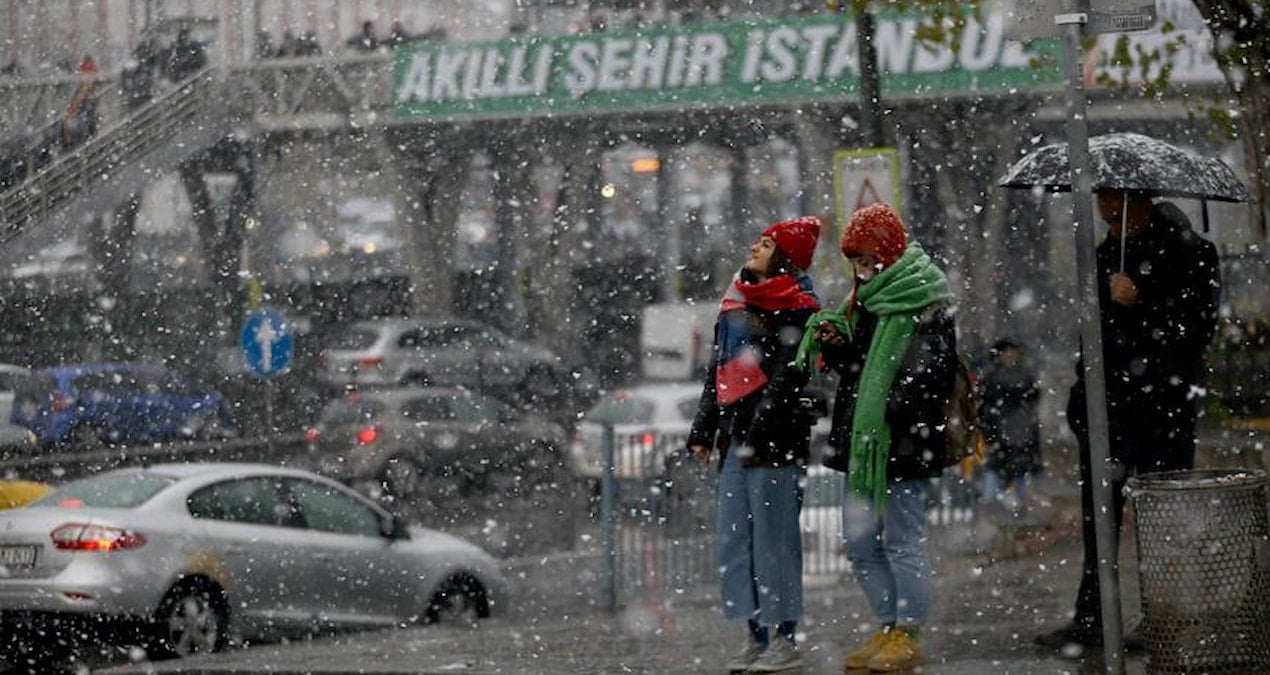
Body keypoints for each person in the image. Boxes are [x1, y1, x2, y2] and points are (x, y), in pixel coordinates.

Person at [1035, 191, 1221, 651]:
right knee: (1099, 519)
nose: (1110, 221)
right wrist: (1081, 400)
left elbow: (1197, 328)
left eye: (1117, 212)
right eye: (1104, 212)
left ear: (1141, 204)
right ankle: (1093, 615)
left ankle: (1162, 617)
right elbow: (1095, 334)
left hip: (1163, 411)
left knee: (1160, 521)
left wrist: (1141, 301)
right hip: (1108, 412)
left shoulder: (1191, 253)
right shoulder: (1104, 254)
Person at [795, 203, 956, 673]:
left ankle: (909, 631)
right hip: (863, 443)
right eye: (855, 262)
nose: (862, 271)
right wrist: (837, 346)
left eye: (868, 260)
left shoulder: (926, 298)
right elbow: (857, 369)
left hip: (903, 442)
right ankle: (888, 626)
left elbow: (933, 375)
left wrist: (889, 404)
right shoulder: (863, 301)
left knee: (903, 539)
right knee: (859, 540)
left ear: (888, 253)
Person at [687, 216, 823, 674]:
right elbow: (718, 372)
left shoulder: (799, 308)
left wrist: (761, 421)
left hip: (775, 443)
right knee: (735, 541)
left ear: (785, 257)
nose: (755, 247)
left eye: (766, 244)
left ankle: (784, 637)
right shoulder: (735, 302)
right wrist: (704, 430)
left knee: (774, 542)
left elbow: (790, 375)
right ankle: (755, 635)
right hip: (736, 440)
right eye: (758, 240)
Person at [977, 337, 1042, 511]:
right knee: (995, 487)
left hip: (1021, 439)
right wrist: (990, 437)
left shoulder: (1025, 377)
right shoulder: (992, 379)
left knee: (1020, 489)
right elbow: (984, 411)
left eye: (1013, 353)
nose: (1010, 357)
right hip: (1001, 439)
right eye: (1006, 354)